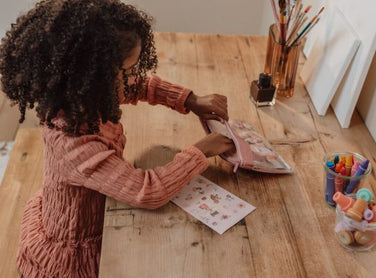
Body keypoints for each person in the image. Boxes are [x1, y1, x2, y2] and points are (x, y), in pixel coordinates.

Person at [0, 0, 235, 277]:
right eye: (131, 70)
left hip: (89, 204)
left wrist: (190, 99)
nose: (136, 78)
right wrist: (199, 152)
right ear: (95, 77)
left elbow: (137, 86)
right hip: (75, 244)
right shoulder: (75, 143)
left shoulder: (83, 95)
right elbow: (148, 191)